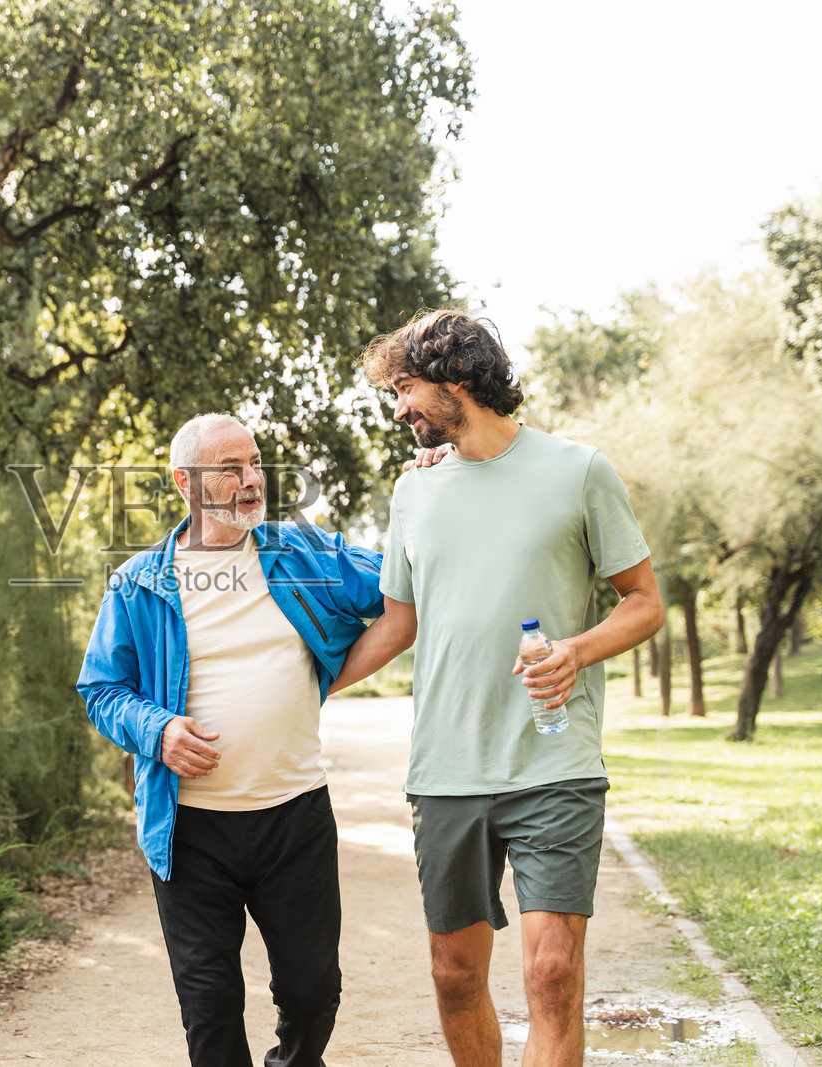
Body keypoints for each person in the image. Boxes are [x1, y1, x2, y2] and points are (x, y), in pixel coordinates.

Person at [333, 309, 664, 1067]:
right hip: (447, 768)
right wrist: (307, 687)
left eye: (406, 387)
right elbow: (395, 624)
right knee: (453, 975)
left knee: (552, 973)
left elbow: (644, 602)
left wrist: (575, 651)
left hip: (554, 761)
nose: (398, 408)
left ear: (456, 378)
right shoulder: (413, 492)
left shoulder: (580, 471)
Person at [77, 413, 386, 1067]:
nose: (252, 480)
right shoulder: (138, 582)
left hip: (295, 817)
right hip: (190, 831)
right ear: (183, 482)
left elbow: (395, 580)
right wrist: (156, 730)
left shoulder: (299, 554)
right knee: (210, 1010)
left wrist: (430, 498)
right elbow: (101, 689)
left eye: (255, 463)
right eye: (230, 468)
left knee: (312, 993)